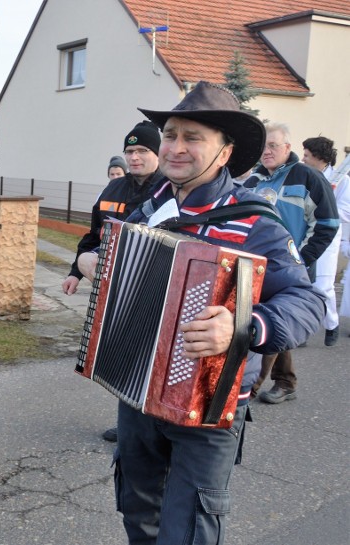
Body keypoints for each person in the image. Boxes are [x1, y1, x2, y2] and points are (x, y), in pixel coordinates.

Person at [76, 81, 325, 544]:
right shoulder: (147, 211)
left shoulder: (254, 219)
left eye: (194, 137)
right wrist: (93, 261)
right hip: (138, 394)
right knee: (138, 510)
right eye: (170, 135)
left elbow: (309, 302)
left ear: (225, 151)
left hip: (210, 405)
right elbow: (114, 265)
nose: (176, 147)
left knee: (189, 529)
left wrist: (244, 326)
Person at [63, 121, 164, 443]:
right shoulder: (113, 190)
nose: (134, 157)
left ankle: (158, 424)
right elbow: (94, 235)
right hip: (116, 287)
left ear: (158, 153)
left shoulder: (170, 190)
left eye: (142, 151)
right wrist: (75, 270)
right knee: (124, 355)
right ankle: (131, 423)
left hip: (158, 289)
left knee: (154, 357)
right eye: (130, 151)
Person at [243, 124, 339, 402]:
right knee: (267, 320)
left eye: (273, 145)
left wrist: (301, 260)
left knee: (272, 316)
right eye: (263, 146)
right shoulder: (253, 182)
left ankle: (254, 385)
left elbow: (327, 224)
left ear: (288, 148)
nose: (267, 151)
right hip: (254, 266)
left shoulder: (308, 177)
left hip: (290, 269)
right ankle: (286, 381)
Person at [302, 136, 350, 344]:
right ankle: (301, 329)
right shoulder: (305, 176)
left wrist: (324, 207)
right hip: (305, 232)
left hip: (327, 235)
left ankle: (331, 324)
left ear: (320, 157)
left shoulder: (342, 181)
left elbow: (346, 211)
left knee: (323, 286)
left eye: (306, 155)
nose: (302, 159)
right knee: (300, 281)